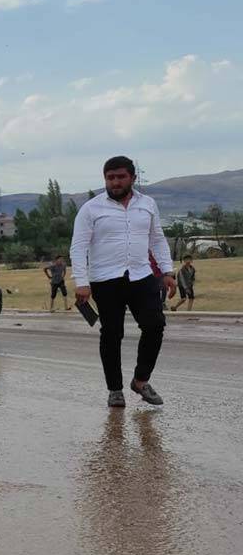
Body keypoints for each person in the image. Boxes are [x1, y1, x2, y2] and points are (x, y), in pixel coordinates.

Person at [71, 156, 175, 407]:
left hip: (141, 276)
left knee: (154, 325)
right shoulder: (91, 208)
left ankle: (140, 381)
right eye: (110, 177)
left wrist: (168, 272)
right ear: (105, 179)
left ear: (132, 178)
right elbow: (78, 247)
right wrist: (81, 282)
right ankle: (114, 390)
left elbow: (157, 239)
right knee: (112, 333)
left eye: (120, 177)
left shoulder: (147, 204)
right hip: (106, 280)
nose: (115, 182)